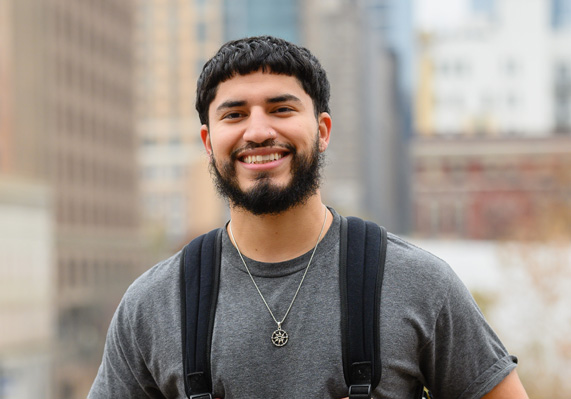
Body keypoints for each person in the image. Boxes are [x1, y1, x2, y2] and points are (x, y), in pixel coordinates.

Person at [89, 36, 528, 399]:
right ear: (209, 140)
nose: (258, 131)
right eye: (234, 114)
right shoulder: (151, 305)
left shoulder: (418, 282)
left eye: (281, 109)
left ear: (322, 131)